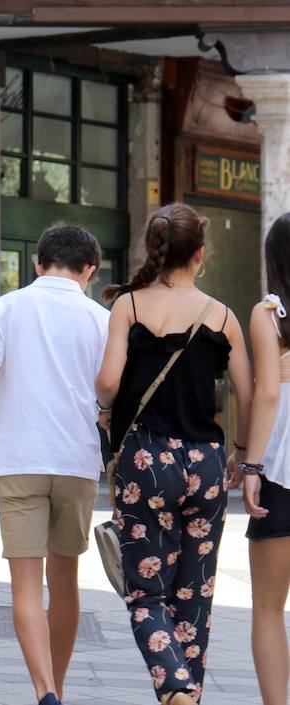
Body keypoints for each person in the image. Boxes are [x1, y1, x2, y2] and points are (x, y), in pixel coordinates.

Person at [95, 203, 252, 705]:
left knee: (146, 591)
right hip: (204, 464)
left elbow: (107, 382)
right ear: (200, 254)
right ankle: (189, 692)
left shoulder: (129, 306)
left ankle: (174, 685)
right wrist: (242, 453)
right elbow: (248, 394)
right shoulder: (222, 316)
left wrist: (105, 408)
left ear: (153, 249)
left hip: (145, 462)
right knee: (195, 594)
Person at [0, 225, 109, 705]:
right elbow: (110, 394)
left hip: (19, 459)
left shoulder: (8, 307)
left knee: (25, 585)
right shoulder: (100, 319)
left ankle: (44, 690)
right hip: (76, 461)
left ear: (38, 265)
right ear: (89, 271)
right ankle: (58, 689)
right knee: (65, 583)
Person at [240, 213, 290, 705]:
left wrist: (251, 466)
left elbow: (268, 395)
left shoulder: (270, 312)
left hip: (282, 473)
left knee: (269, 609)